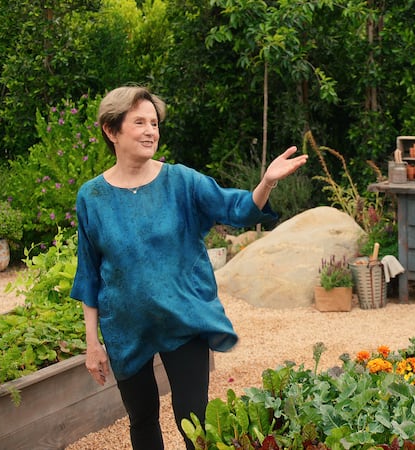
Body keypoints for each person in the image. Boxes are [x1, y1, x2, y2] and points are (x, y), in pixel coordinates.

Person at [70, 86, 308, 449]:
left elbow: (238, 208)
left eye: (154, 122)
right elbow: (88, 272)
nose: (151, 130)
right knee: (142, 420)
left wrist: (266, 183)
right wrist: (92, 343)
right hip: (126, 328)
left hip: (184, 318)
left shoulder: (180, 181)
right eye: (139, 122)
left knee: (193, 421)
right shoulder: (92, 197)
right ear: (111, 130)